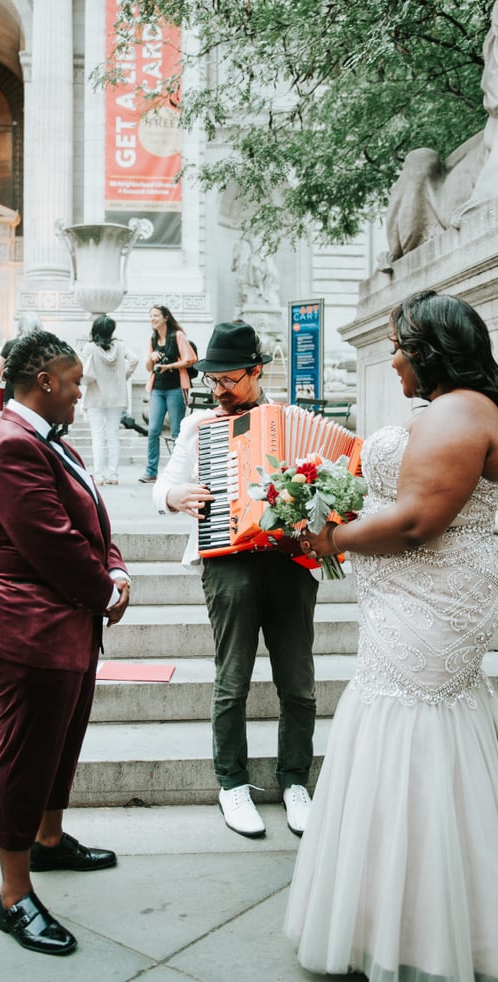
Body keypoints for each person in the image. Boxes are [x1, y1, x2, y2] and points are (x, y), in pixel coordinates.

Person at [285, 291, 498, 982]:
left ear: (428, 350)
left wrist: (329, 539)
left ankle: (421, 933)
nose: (390, 359)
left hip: (432, 599)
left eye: (397, 346)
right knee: (429, 719)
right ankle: (433, 918)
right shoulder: (461, 409)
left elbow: (417, 521)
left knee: (409, 722)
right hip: (423, 597)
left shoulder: (455, 411)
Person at [0, 329, 131, 957]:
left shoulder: (47, 439)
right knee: (26, 753)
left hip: (65, 620)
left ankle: (51, 842)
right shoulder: (10, 445)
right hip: (26, 624)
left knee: (62, 741)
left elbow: (91, 517)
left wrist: (115, 567)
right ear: (45, 383)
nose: (81, 394)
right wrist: (101, 589)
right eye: (76, 383)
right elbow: (51, 542)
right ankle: (13, 896)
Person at [153, 321, 317, 839]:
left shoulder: (290, 421)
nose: (220, 392)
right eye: (213, 382)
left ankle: (295, 781)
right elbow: (165, 486)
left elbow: (322, 492)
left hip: (288, 561)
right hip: (226, 560)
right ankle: (232, 784)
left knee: (298, 683)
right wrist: (174, 497)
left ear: (257, 371)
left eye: (230, 381)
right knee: (232, 680)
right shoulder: (198, 427)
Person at [139, 304, 196, 483]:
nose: (153, 319)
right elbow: (148, 368)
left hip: (175, 388)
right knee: (153, 430)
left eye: (156, 315)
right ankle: (151, 471)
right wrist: (152, 358)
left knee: (176, 432)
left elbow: (191, 359)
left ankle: (176, 472)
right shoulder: (152, 339)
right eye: (151, 316)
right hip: (157, 389)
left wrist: (169, 366)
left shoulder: (177, 336)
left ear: (165, 317)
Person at [81, 314, 139, 485]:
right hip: (116, 397)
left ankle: (98, 476)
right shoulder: (120, 346)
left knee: (97, 437)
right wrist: (123, 377)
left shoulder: (89, 347)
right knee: (113, 436)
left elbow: (82, 369)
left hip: (95, 395)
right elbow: (134, 360)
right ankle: (113, 475)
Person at [0, 312, 44, 405]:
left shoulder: (11, 344)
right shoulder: (45, 347)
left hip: (12, 395)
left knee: (13, 419)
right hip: (36, 396)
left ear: (21, 326)